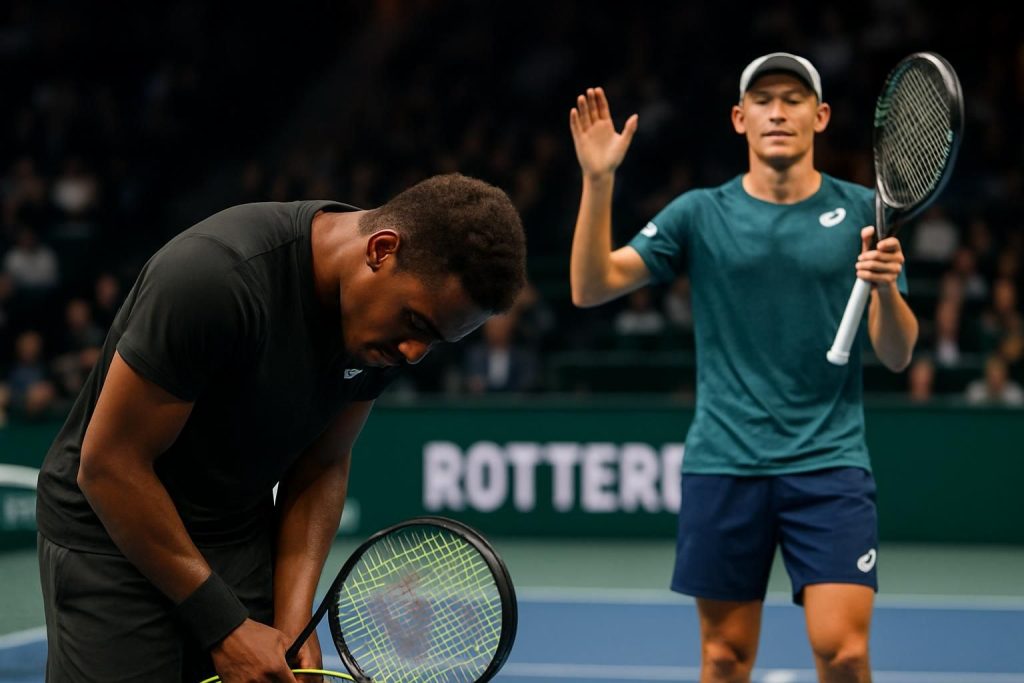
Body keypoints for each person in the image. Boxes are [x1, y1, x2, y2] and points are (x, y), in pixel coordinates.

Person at [34, 173, 527, 682]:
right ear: (381, 250)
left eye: (436, 341)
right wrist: (224, 626)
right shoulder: (214, 278)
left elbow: (323, 462)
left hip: (235, 532)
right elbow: (110, 467)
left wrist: (292, 620)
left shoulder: (380, 334)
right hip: (112, 537)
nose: (413, 353)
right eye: (418, 324)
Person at [568, 53, 917, 682]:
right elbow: (590, 286)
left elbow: (896, 353)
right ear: (739, 118)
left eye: (792, 98)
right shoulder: (699, 213)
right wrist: (598, 181)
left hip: (829, 462)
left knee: (845, 653)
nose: (777, 111)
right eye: (762, 100)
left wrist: (887, 290)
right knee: (724, 659)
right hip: (725, 463)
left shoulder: (866, 212)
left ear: (821, 115)